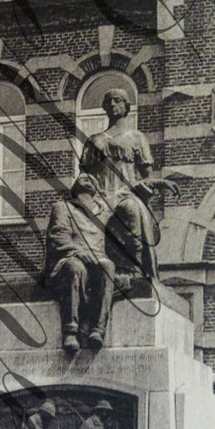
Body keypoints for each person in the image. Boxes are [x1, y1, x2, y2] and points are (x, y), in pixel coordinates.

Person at [79, 88, 160, 282]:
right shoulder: (95, 140)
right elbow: (84, 173)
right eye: (109, 102)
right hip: (100, 194)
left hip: (126, 193)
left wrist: (142, 188)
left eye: (117, 101)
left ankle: (134, 268)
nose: (112, 105)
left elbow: (146, 175)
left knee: (131, 210)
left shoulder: (137, 137)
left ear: (126, 106)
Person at [44, 173, 115, 354]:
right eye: (82, 178)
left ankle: (97, 331)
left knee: (108, 267)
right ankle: (70, 331)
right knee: (75, 268)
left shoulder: (105, 212)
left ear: (97, 190)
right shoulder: (63, 207)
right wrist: (79, 252)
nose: (87, 177)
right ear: (75, 187)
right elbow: (58, 237)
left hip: (98, 261)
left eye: (91, 178)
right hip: (68, 258)